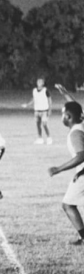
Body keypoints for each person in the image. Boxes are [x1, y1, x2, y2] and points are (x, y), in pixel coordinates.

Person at [48, 101, 84, 245]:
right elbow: (78, 108)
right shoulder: (80, 127)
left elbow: (81, 156)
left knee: (68, 205)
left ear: (68, 116)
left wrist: (58, 169)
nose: (61, 116)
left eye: (63, 114)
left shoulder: (75, 133)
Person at [22, 77, 53, 145]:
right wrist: (27, 105)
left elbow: (49, 100)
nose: (39, 83)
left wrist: (49, 110)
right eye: (38, 82)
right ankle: (40, 138)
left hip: (44, 110)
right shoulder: (34, 90)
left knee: (44, 124)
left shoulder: (46, 90)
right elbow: (34, 99)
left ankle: (49, 137)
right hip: (37, 110)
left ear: (43, 83)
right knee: (38, 124)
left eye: (40, 82)